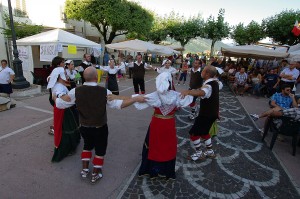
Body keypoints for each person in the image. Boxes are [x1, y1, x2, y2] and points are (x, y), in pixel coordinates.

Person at [54, 66, 146, 184]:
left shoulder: (75, 91)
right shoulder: (104, 92)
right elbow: (119, 104)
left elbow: (61, 104)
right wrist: (135, 99)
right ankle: (95, 174)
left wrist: (55, 95)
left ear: (84, 77)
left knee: (87, 145)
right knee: (100, 150)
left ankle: (85, 169)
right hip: (100, 127)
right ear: (96, 77)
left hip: (84, 127)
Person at [112, 72, 192, 180]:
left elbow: (135, 98)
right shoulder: (176, 95)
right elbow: (190, 98)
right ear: (169, 83)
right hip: (169, 124)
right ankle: (166, 171)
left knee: (154, 144)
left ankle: (153, 171)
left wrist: (115, 96)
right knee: (168, 145)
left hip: (157, 123)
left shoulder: (156, 95)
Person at [181, 65, 219, 160]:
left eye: (203, 71)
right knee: (205, 132)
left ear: (207, 74)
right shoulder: (215, 83)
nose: (201, 72)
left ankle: (199, 153)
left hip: (206, 115)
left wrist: (188, 92)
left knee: (194, 133)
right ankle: (210, 152)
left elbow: (202, 92)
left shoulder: (209, 85)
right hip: (212, 114)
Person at [47, 66, 80, 162]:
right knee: (67, 129)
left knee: (71, 127)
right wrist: (74, 95)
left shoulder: (61, 84)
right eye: (64, 74)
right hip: (63, 111)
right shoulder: (58, 86)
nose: (66, 75)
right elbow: (66, 98)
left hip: (66, 109)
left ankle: (71, 146)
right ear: (60, 76)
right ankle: (68, 148)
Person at [47, 56, 66, 135]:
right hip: (58, 96)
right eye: (62, 62)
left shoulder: (58, 70)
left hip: (57, 95)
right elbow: (49, 79)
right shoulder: (58, 71)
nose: (64, 63)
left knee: (59, 113)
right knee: (58, 113)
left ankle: (56, 127)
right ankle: (55, 128)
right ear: (58, 64)